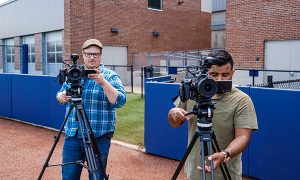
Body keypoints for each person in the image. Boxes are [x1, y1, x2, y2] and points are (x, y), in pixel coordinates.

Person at [168, 50, 258, 180]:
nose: (219, 79)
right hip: (194, 172)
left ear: (232, 73)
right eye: (214, 74)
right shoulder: (192, 92)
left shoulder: (242, 100)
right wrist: (172, 114)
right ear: (204, 74)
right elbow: (173, 123)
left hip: (226, 174)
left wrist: (224, 154)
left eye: (225, 75)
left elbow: (243, 137)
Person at [57, 39, 126, 180]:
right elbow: (61, 94)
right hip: (73, 135)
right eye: (88, 54)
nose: (92, 57)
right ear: (83, 55)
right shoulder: (74, 73)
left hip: (98, 137)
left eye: (95, 54)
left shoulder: (110, 76)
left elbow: (120, 101)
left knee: (97, 177)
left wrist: (103, 82)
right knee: (69, 176)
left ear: (101, 55)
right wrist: (61, 97)